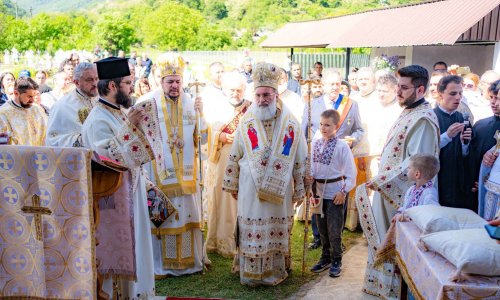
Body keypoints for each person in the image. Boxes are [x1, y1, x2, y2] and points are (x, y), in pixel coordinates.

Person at [356, 65, 440, 299]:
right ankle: (384, 287)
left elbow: (417, 167)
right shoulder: (409, 111)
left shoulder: (422, 119)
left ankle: (394, 291)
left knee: (395, 243)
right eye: (398, 87)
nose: (398, 92)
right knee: (384, 240)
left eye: (404, 88)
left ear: (421, 89)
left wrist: (381, 181)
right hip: (388, 192)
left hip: (401, 198)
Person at [222, 62, 307, 286]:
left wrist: (300, 187)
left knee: (275, 227)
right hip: (250, 186)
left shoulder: (290, 123)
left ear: (276, 94)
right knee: (251, 227)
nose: (262, 100)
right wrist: (232, 183)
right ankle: (250, 272)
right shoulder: (247, 121)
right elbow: (235, 152)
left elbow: (300, 155)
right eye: (258, 95)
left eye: (266, 94)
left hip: (280, 188)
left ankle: (275, 270)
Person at [81, 57, 155, 298]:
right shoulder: (98, 119)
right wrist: (131, 128)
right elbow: (107, 158)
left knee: (140, 248)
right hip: (114, 203)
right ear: (112, 86)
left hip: (131, 195)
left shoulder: (117, 112)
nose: (131, 87)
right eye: (126, 82)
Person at [138, 52, 208, 276]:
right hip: (159, 174)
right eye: (170, 82)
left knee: (187, 214)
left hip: (186, 178)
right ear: (161, 82)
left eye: (178, 81)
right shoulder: (147, 103)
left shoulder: (191, 102)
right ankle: (163, 265)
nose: (175, 85)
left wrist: (201, 114)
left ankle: (189, 261)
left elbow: (203, 138)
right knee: (164, 218)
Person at [303, 69, 364, 249]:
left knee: (336, 207)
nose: (335, 87)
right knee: (317, 201)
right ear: (323, 85)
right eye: (331, 84)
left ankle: (336, 239)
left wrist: (353, 140)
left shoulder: (351, 105)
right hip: (317, 157)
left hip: (339, 160)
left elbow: (359, 129)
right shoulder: (312, 104)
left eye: (338, 84)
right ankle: (318, 238)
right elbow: (303, 129)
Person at [204, 71, 252, 258]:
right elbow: (206, 133)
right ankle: (220, 241)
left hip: (245, 159)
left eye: (239, 90)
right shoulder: (216, 107)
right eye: (232, 90)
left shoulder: (251, 108)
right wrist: (221, 136)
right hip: (223, 157)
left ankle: (241, 239)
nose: (235, 93)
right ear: (225, 90)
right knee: (223, 198)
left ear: (244, 90)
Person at [306, 109, 356, 277]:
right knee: (322, 229)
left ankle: (336, 259)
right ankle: (325, 257)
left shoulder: (342, 147)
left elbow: (351, 174)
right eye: (321, 124)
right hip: (318, 192)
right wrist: (310, 176)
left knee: (334, 230)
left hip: (335, 193)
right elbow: (311, 165)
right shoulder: (315, 143)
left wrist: (343, 192)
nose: (323, 128)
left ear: (337, 125)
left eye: (327, 125)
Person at [434, 75, 472, 209]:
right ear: (440, 94)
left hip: (457, 181)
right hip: (438, 179)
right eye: (453, 93)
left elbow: (466, 155)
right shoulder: (431, 117)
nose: (458, 97)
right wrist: (446, 136)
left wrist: (465, 144)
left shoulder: (462, 117)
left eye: (460, 93)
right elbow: (426, 149)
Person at [46, 62, 99, 147]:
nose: (95, 84)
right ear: (76, 82)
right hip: (79, 158)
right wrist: (80, 141)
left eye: (96, 79)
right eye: (89, 80)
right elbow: (52, 140)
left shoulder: (101, 101)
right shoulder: (61, 107)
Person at [471, 80, 500, 214]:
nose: (494, 103)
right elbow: (472, 155)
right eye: (492, 98)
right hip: (480, 187)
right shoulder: (481, 125)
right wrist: (474, 179)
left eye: (498, 98)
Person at [0, 77, 47, 145]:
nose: (33, 100)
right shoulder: (3, 113)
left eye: (34, 96)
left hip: (39, 154)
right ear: (16, 93)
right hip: (17, 155)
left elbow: (47, 133)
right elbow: (4, 144)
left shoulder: (37, 109)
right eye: (29, 96)